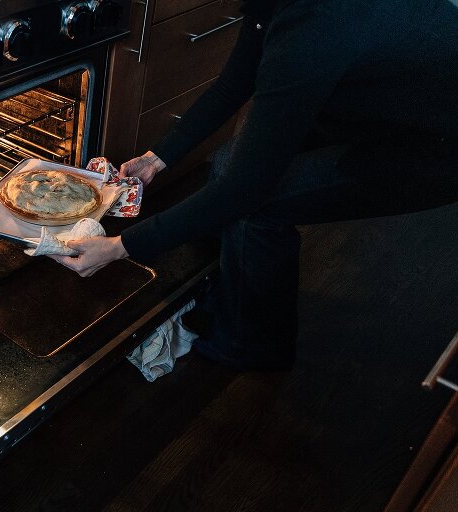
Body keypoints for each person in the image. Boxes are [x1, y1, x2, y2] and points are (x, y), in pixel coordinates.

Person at [49, 0, 458, 370]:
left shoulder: (317, 19)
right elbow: (234, 83)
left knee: (258, 204)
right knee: (229, 165)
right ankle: (228, 289)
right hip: (373, 101)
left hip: (432, 146)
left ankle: (252, 345)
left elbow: (244, 192)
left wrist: (120, 248)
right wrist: (158, 158)